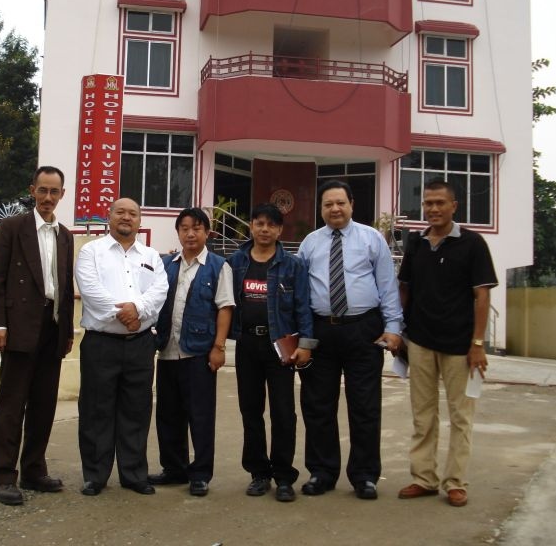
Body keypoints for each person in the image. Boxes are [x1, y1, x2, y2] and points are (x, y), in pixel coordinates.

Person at [297, 179, 403, 500]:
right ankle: (322, 471)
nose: (335, 209)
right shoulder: (309, 244)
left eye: (340, 202)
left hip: (364, 330)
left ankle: (365, 475)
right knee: (318, 406)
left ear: (352, 204)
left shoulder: (372, 240)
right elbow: (300, 294)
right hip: (320, 330)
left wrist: (394, 326)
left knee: (365, 406)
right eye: (328, 204)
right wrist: (300, 336)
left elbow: (387, 285)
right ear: (321, 209)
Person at [397, 179, 498, 508]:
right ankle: (423, 478)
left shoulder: (472, 243)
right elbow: (405, 288)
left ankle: (455, 482)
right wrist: (401, 331)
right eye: (428, 203)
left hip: (461, 347)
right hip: (421, 343)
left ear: (454, 206)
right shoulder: (417, 244)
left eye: (440, 203)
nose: (433, 209)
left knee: (460, 416)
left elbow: (481, 295)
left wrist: (478, 343)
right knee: (422, 416)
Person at [0, 165, 75, 506]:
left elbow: (64, 287)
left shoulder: (64, 235)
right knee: (12, 405)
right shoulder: (13, 227)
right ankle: (4, 477)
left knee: (43, 405)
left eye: (54, 192)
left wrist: (66, 331)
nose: (48, 198)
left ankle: (34, 470)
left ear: (62, 195)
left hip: (52, 330)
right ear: (33, 191)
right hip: (19, 326)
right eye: (43, 191)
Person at [74, 198, 168, 496]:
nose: (126, 218)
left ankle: (133, 473)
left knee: (137, 410)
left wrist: (135, 309)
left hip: (140, 344)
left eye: (133, 213)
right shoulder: (92, 251)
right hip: (101, 343)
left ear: (140, 220)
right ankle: (95, 475)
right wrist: (123, 313)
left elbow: (159, 291)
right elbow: (90, 291)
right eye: (120, 212)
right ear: (109, 217)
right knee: (96, 409)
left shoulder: (152, 256)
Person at [228, 203, 316, 503]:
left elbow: (303, 306)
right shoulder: (236, 261)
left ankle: (283, 476)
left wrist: (306, 344)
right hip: (247, 345)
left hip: (280, 347)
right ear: (251, 226)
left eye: (271, 224)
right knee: (251, 410)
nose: (264, 229)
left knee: (283, 412)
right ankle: (258, 473)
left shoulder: (292, 266)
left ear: (280, 230)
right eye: (259, 222)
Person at [149, 207, 235, 497]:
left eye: (196, 228)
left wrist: (219, 347)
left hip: (199, 354)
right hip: (167, 351)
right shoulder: (165, 264)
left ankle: (200, 473)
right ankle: (174, 468)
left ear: (207, 233)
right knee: (168, 414)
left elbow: (224, 307)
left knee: (200, 415)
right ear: (178, 232)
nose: (190, 233)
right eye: (184, 228)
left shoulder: (218, 266)